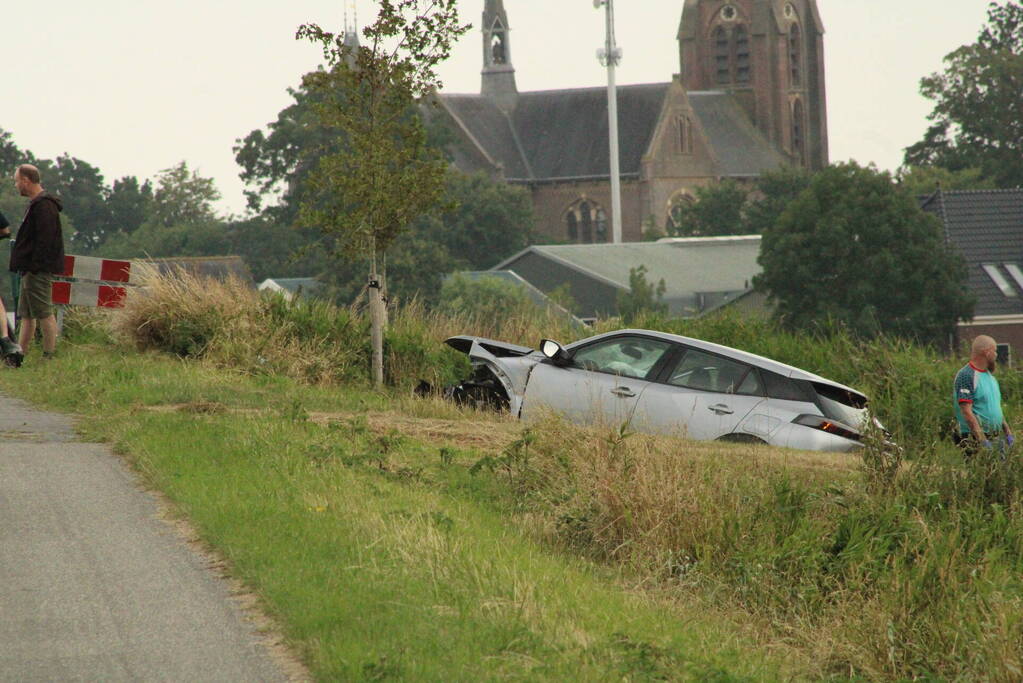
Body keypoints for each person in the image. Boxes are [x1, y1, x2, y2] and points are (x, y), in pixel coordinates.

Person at [10, 164, 64, 360]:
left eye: (17, 181)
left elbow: (45, 240)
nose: (16, 185)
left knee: (44, 313)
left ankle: (49, 355)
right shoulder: (37, 204)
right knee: (27, 314)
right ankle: (19, 355)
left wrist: (35, 265)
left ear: (26, 180)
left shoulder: (43, 206)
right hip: (30, 269)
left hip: (38, 270)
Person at [953, 334, 1014, 456]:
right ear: (986, 352)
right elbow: (966, 412)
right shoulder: (966, 375)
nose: (996, 355)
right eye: (994, 351)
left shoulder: (990, 377)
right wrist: (982, 440)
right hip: (973, 437)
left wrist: (1008, 432)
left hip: (995, 436)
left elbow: (995, 408)